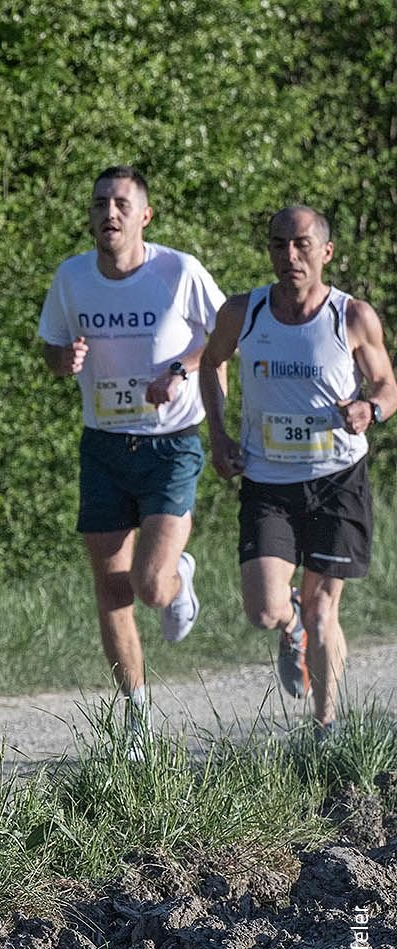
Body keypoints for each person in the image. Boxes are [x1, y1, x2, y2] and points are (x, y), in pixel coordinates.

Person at [39, 166, 225, 741]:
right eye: (100, 204)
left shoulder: (178, 271)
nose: (109, 214)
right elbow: (51, 346)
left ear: (145, 215)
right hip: (103, 443)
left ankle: (178, 576)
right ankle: (136, 716)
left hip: (171, 442)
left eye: (121, 204)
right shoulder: (72, 277)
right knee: (111, 588)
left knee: (149, 584)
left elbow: (225, 336)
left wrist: (180, 369)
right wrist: (63, 360)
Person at [200, 205, 395, 740]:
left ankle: (325, 729)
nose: (290, 255)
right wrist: (219, 435)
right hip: (268, 480)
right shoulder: (244, 312)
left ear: (326, 252)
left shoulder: (352, 316)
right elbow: (210, 362)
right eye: (279, 244)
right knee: (265, 609)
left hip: (337, 479)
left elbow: (387, 385)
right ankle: (292, 627)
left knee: (322, 608)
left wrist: (370, 409)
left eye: (302, 244)